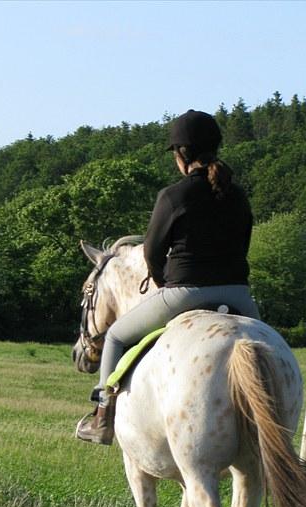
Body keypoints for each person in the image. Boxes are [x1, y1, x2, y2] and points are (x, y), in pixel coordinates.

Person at [76, 109, 260, 445]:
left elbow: (151, 252)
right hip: (239, 297)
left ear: (181, 155)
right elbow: (244, 246)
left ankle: (103, 420)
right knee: (265, 350)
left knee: (115, 337)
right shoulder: (238, 196)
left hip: (185, 294)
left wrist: (164, 280)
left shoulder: (173, 196)